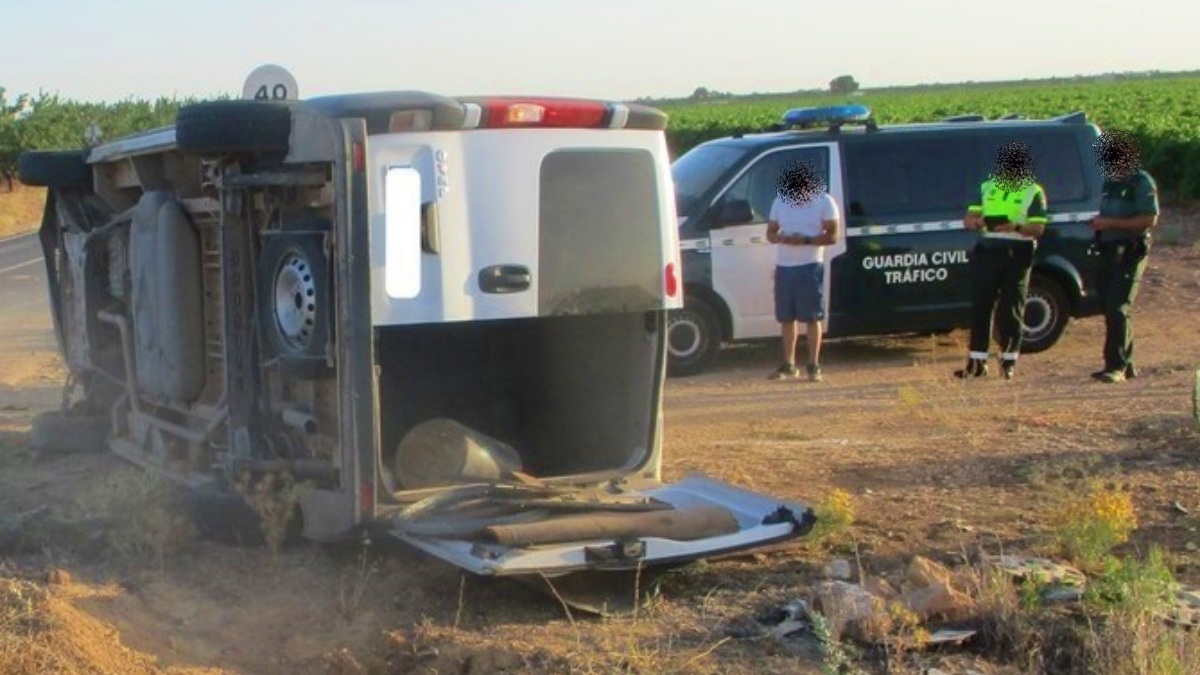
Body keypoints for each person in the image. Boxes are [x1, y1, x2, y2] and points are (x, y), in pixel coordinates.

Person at [956, 142, 1048, 380]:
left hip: (1016, 253)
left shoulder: (1033, 191)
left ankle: (1008, 362)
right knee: (981, 307)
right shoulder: (988, 187)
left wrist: (1015, 227)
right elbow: (969, 218)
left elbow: (1038, 228)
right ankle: (976, 364)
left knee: (1011, 308)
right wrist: (974, 223)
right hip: (987, 251)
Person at [1089, 130, 1158, 384]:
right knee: (1110, 304)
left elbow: (1149, 218)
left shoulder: (1140, 182)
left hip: (1130, 249)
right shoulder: (1111, 183)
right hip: (1108, 250)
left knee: (1117, 305)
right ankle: (1126, 363)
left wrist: (1110, 223)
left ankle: (1115, 365)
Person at [766, 161, 840, 381]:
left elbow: (833, 235)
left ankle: (814, 365)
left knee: (812, 317)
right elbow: (770, 232)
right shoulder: (780, 200)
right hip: (785, 265)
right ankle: (788, 364)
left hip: (809, 265)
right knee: (786, 318)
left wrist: (805, 240)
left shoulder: (824, 201)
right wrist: (782, 238)